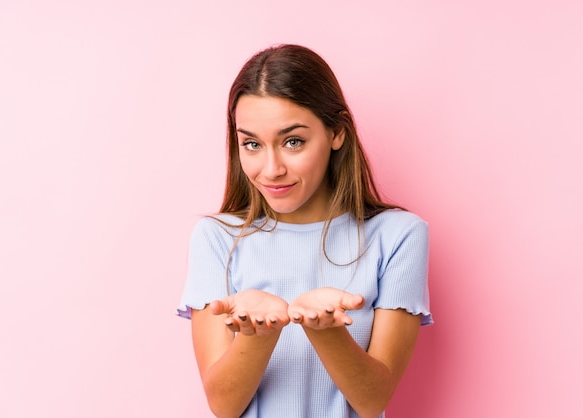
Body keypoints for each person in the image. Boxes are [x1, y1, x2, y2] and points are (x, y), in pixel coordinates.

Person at [177, 44, 432, 418]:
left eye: (293, 141)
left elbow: (373, 398)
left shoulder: (398, 236)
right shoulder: (216, 237)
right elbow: (223, 405)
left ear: (337, 133)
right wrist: (259, 334)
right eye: (251, 144)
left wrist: (326, 330)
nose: (271, 169)